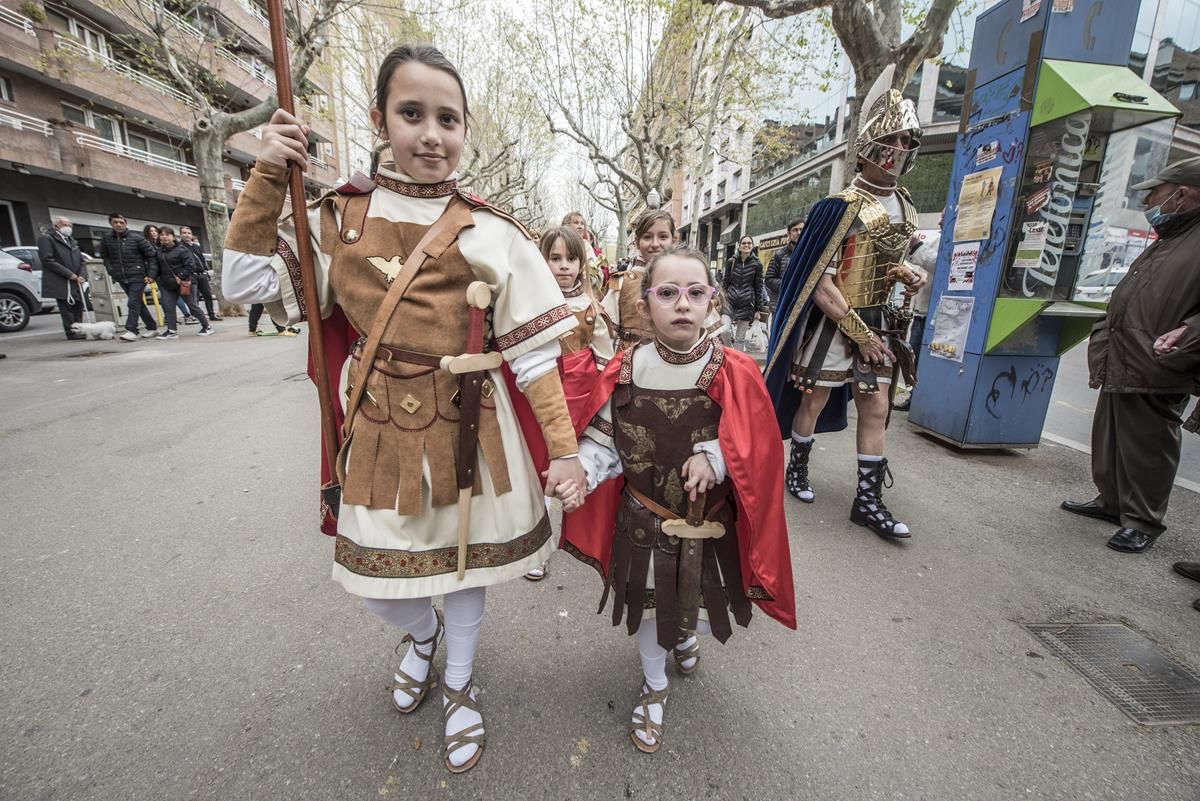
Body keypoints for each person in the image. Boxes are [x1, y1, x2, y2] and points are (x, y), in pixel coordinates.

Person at [220, 44, 585, 774]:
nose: (430, 134)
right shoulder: (337, 216)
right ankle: (420, 635)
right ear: (380, 119)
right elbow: (243, 280)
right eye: (411, 113)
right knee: (379, 582)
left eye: (447, 118)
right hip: (380, 425)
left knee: (466, 569)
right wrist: (267, 172)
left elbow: (537, 358)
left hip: (473, 424)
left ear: (465, 129)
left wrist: (567, 449)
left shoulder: (496, 230)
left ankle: (459, 681)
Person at [556, 245, 795, 754]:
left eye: (695, 292)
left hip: (712, 524)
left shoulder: (735, 370)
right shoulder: (624, 369)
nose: (682, 303)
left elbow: (760, 447)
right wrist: (582, 475)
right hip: (642, 522)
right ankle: (654, 686)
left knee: (699, 605)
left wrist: (717, 456)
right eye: (667, 293)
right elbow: (604, 445)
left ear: (713, 301)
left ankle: (685, 635)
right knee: (647, 611)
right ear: (645, 305)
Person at [764, 65, 926, 539]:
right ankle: (797, 467)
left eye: (905, 143)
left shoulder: (905, 205)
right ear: (871, 146)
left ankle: (868, 501)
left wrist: (907, 275)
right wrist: (862, 335)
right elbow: (821, 283)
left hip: (879, 321)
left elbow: (887, 266)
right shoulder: (839, 207)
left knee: (876, 410)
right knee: (812, 401)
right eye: (891, 140)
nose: (898, 151)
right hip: (835, 325)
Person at [1061, 156, 1200, 553]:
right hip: (1127, 355)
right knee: (1111, 437)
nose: (1150, 201)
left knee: (1149, 442)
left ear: (1182, 193)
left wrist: (1189, 333)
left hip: (1159, 360)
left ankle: (1143, 520)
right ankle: (1113, 501)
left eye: (1155, 193)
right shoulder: (1174, 236)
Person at [522, 225, 616, 581]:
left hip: (583, 397)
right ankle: (538, 544)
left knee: (577, 465)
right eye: (555, 258)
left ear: (582, 263)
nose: (564, 266)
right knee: (539, 466)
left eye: (571, 258)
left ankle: (589, 536)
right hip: (542, 396)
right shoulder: (527, 306)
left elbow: (606, 361)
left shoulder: (592, 308)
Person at [100, 214, 159, 341]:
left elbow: (152, 256)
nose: (118, 225)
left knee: (133, 302)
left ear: (126, 224)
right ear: (111, 224)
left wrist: (151, 274)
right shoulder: (107, 239)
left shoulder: (137, 239)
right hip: (121, 275)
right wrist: (111, 270)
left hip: (138, 275)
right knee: (138, 303)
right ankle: (152, 327)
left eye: (121, 222)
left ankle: (131, 329)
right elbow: (105, 257)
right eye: (115, 222)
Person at [149, 226, 211, 339]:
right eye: (162, 235)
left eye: (167, 235)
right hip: (167, 284)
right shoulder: (158, 252)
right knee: (168, 306)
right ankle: (171, 330)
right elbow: (155, 266)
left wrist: (181, 276)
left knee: (192, 305)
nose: (164, 237)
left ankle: (206, 326)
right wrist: (151, 276)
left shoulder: (182, 250)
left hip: (184, 282)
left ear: (173, 237)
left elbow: (190, 266)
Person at [37, 216, 88, 340]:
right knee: (66, 306)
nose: (68, 228)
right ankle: (72, 332)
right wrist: (69, 274)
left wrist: (82, 275)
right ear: (56, 226)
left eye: (70, 225)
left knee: (78, 304)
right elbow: (48, 260)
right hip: (61, 279)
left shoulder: (72, 241)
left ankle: (79, 329)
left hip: (76, 279)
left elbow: (81, 261)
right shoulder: (47, 239)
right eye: (65, 225)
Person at [722, 235, 766, 351]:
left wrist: (758, 309)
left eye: (749, 243)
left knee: (740, 339)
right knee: (724, 330)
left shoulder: (757, 265)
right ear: (739, 246)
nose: (746, 245)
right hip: (730, 302)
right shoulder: (731, 262)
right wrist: (722, 299)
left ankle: (736, 362)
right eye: (744, 243)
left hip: (747, 304)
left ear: (752, 246)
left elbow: (759, 287)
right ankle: (729, 351)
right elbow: (725, 283)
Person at [180, 226, 221, 321]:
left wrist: (205, 270)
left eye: (189, 233)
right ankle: (196, 315)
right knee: (194, 298)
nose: (187, 235)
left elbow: (201, 258)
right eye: (184, 233)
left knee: (208, 295)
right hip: (191, 275)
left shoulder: (196, 247)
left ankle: (211, 314)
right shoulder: (180, 247)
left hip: (201, 274)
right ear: (181, 234)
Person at [765, 217, 803, 316]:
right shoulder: (780, 255)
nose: (799, 232)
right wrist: (788, 284)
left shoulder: (810, 254)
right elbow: (768, 279)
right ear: (789, 234)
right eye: (795, 230)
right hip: (781, 306)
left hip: (802, 306)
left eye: (802, 229)